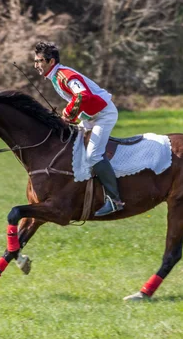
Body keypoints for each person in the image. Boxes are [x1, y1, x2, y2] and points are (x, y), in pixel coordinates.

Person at [34, 41, 124, 216]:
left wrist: (67, 114)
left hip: (103, 115)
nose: (36, 65)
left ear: (51, 61)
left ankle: (115, 200)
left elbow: (82, 95)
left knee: (93, 155)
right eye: (35, 61)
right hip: (90, 117)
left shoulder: (64, 75)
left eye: (39, 61)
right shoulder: (55, 76)